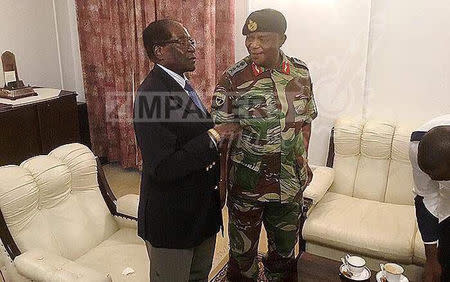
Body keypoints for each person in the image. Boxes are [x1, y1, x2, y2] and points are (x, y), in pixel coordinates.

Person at [211, 9, 318, 281]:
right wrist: (222, 183)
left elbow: (306, 121)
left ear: (282, 39)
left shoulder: (301, 73)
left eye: (261, 37)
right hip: (247, 183)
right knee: (242, 254)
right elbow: (221, 133)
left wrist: (301, 160)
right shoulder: (233, 78)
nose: (252, 44)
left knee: (283, 253)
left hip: (289, 183)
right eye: (249, 37)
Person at [133, 19, 240, 281]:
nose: (193, 48)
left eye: (192, 42)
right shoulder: (151, 95)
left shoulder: (182, 84)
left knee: (198, 276)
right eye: (183, 42)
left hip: (200, 213)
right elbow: (163, 167)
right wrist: (214, 136)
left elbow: (188, 134)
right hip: (173, 220)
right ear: (159, 51)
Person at [409, 115, 450, 282]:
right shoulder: (417, 146)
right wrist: (431, 260)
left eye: (438, 176)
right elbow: (426, 198)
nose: (433, 180)